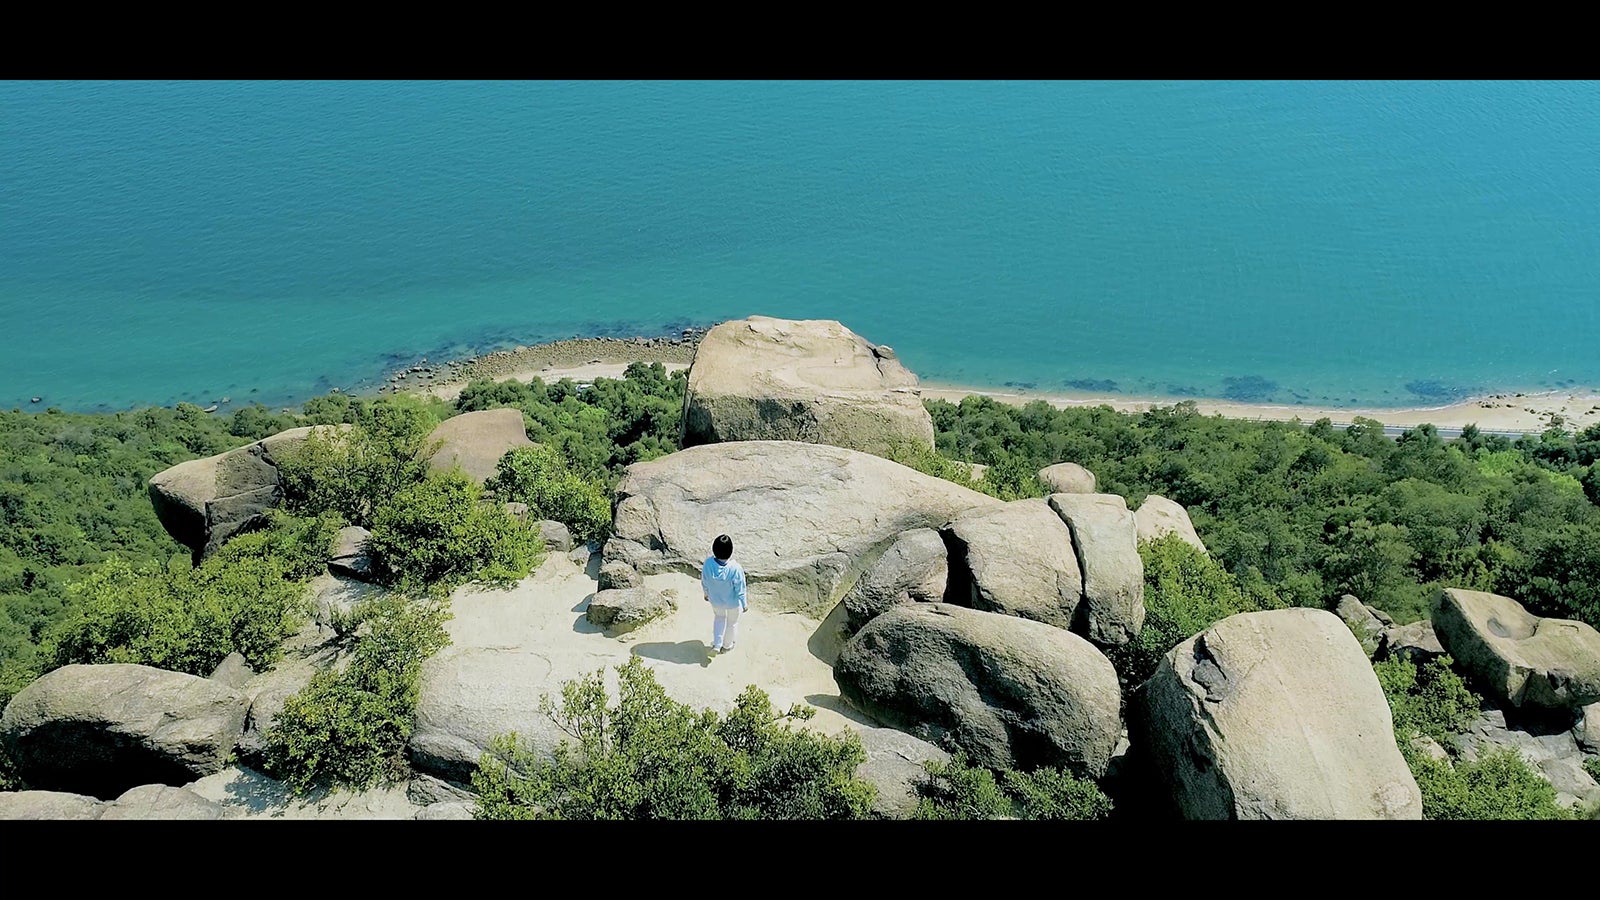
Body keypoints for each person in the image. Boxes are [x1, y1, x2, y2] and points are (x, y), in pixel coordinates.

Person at [701, 533, 747, 654]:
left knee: (719, 619)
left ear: (714, 549)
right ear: (731, 551)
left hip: (715, 600)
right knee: (732, 623)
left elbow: (704, 580)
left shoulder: (708, 563)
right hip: (733, 603)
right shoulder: (735, 568)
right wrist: (744, 603)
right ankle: (727, 645)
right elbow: (740, 587)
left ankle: (717, 644)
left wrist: (706, 593)